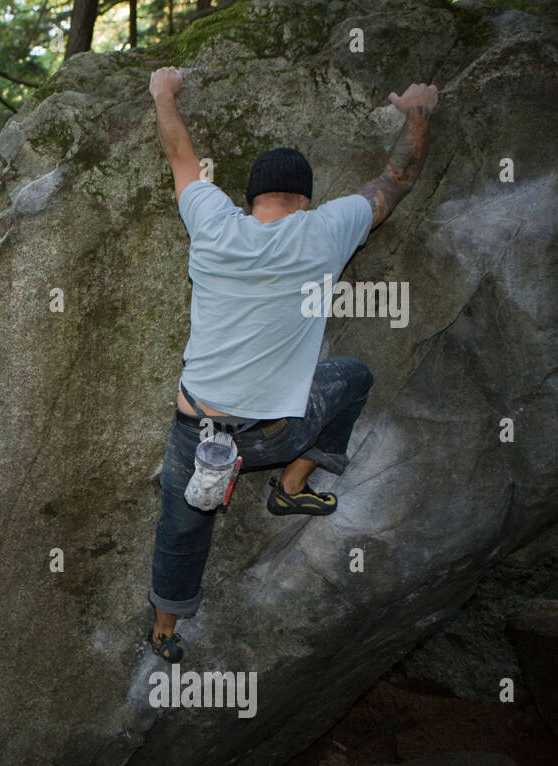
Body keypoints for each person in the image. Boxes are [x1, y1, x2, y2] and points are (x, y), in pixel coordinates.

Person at [145, 65, 437, 663]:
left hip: (198, 431)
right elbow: (397, 178)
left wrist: (163, 93)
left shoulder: (211, 223)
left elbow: (180, 155)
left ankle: (164, 631)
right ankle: (292, 484)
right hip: (277, 434)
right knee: (352, 376)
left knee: (182, 528)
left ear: (249, 197)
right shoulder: (326, 230)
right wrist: (419, 111)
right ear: (304, 197)